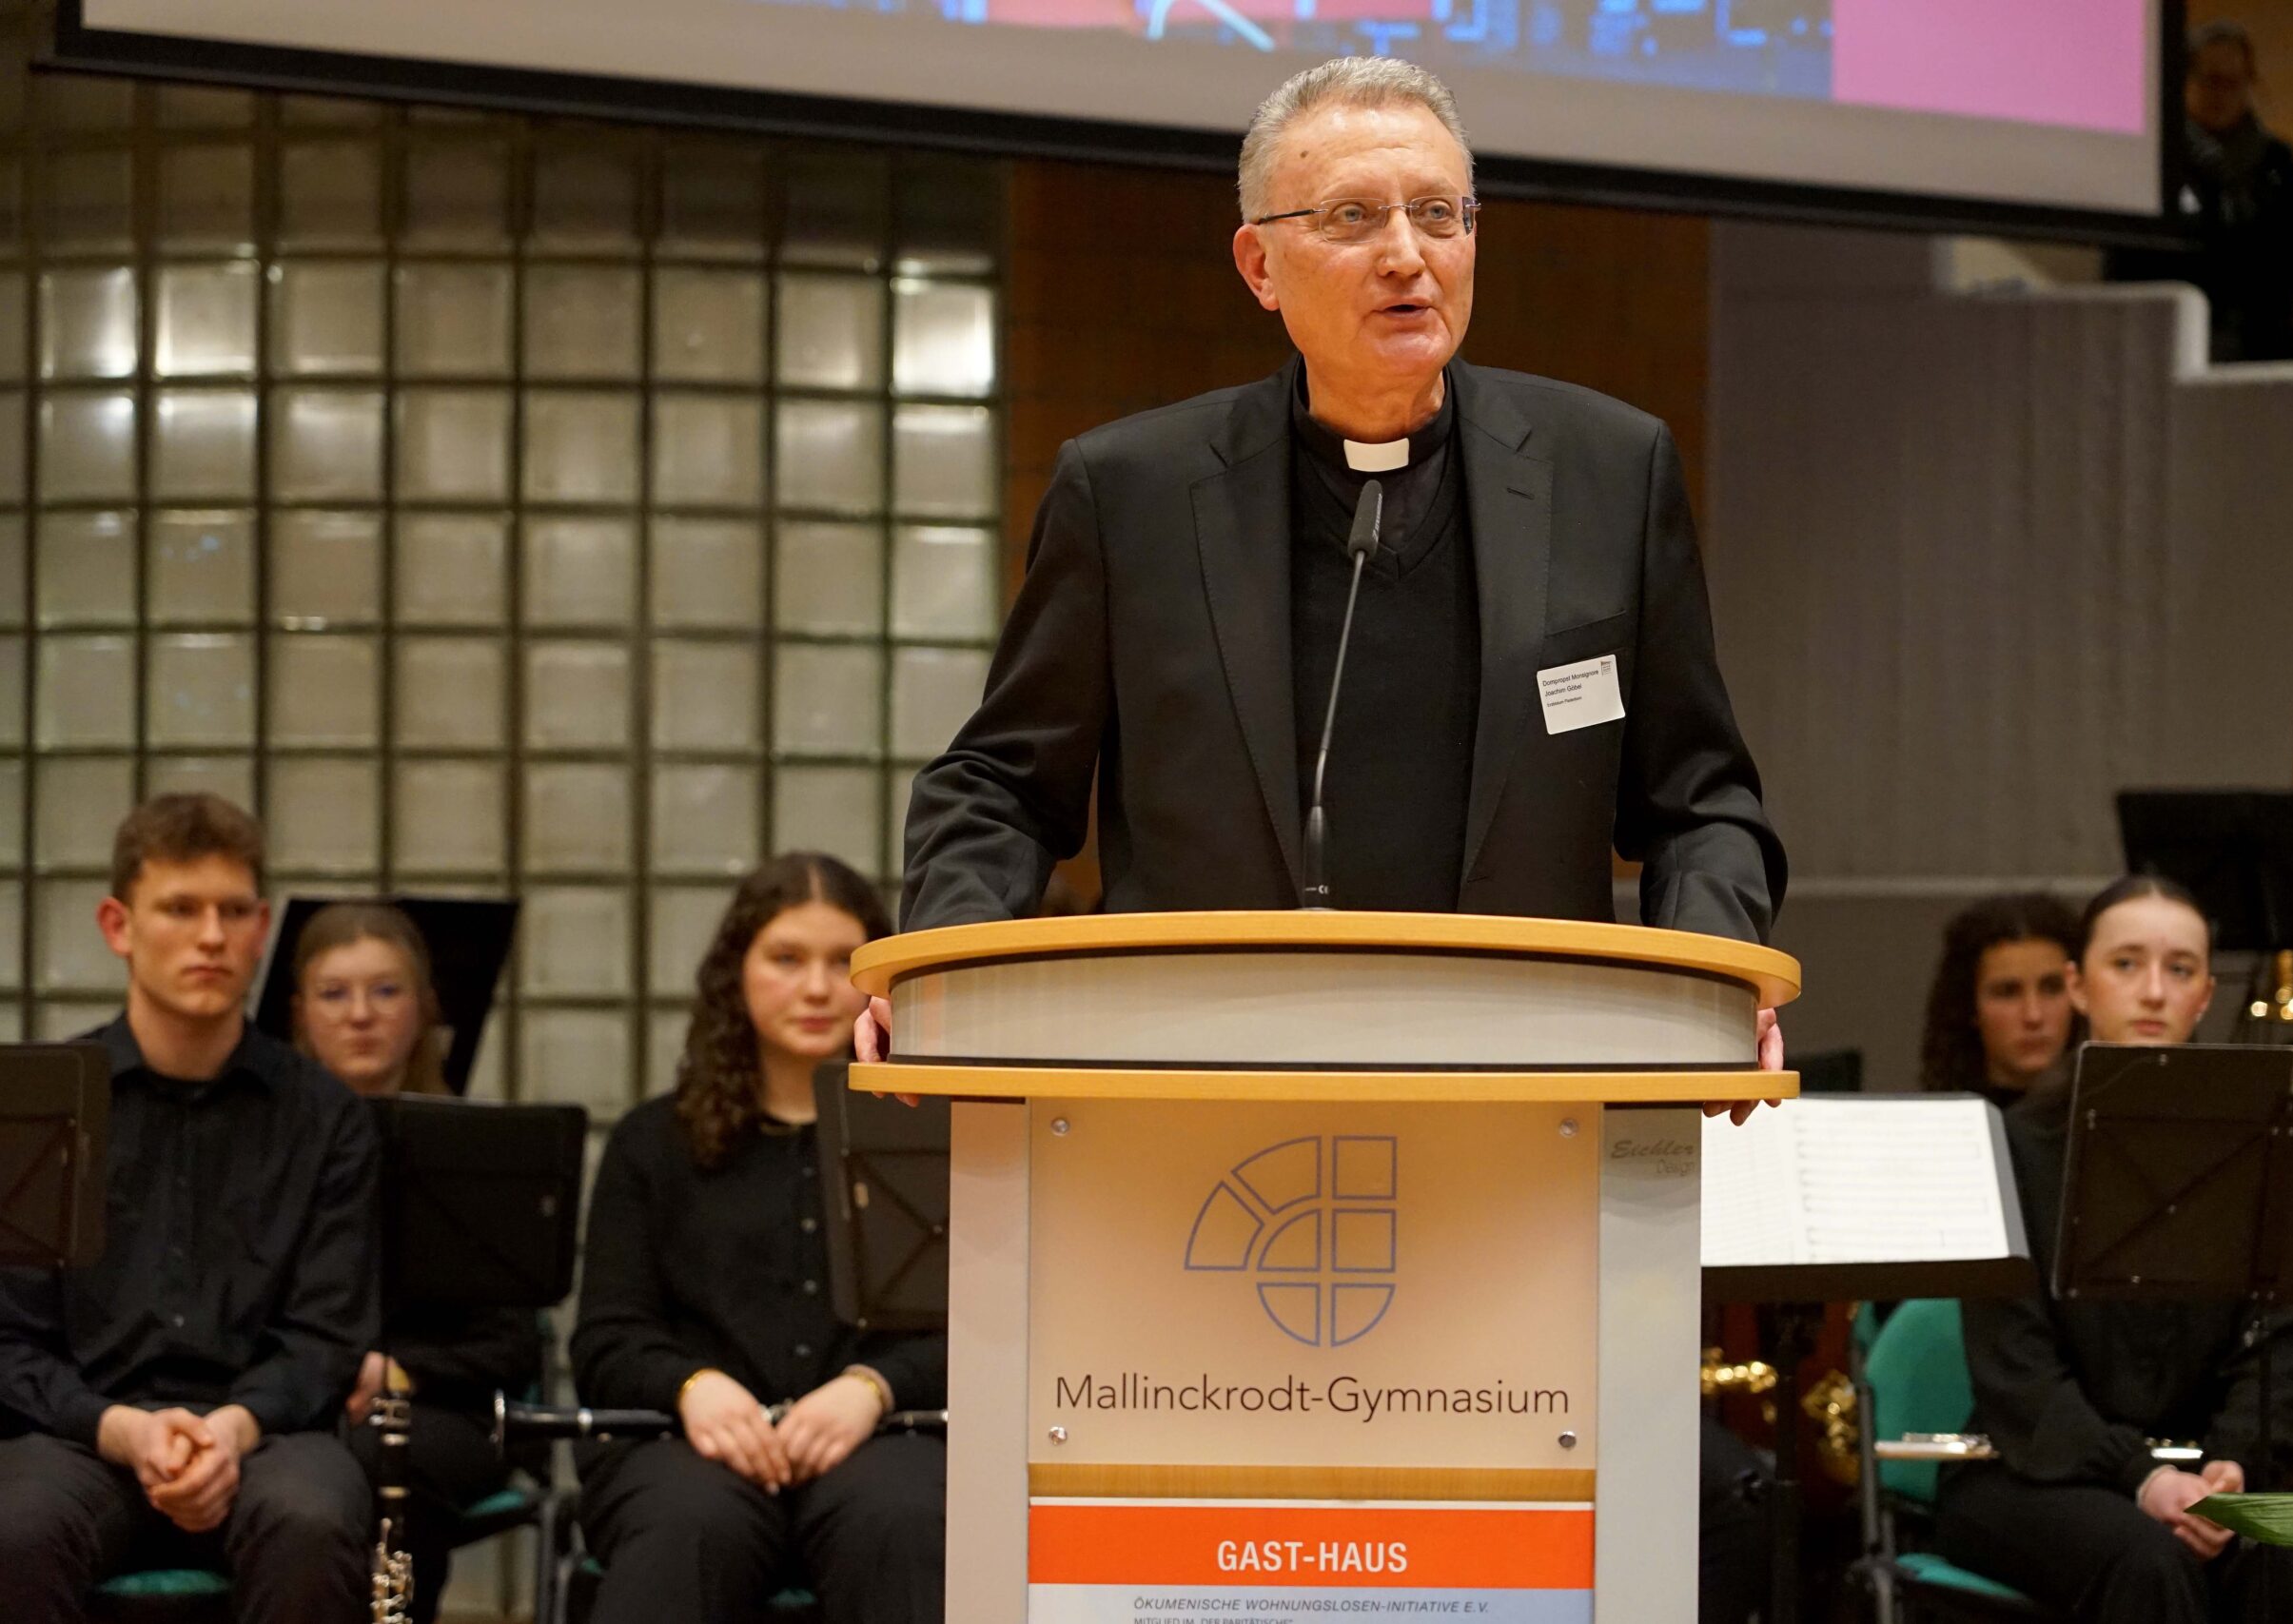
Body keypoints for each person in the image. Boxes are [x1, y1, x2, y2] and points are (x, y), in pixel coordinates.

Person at [872, 58, 1788, 1110]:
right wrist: (943, 965)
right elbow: (1000, 785)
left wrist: (1716, 971)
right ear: (1260, 265)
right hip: (1193, 1089)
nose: (1409, 255)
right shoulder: (1131, 495)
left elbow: (1701, 798)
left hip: (1533, 1090)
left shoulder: (1609, 472)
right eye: (1353, 217)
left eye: (1440, 214)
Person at [0, 793, 379, 1623]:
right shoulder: (36, 1101)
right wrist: (122, 1430)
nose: (212, 936)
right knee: (13, 1527)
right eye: (180, 908)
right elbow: (10, 1338)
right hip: (83, 1439)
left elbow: (327, 1334)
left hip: (266, 1439)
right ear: (117, 925)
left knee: (316, 1520)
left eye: (234, 910)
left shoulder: (326, 1115)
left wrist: (233, 1431)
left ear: (262, 926)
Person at [1934, 875, 2293, 1622]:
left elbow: (2276, 1349)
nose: (2154, 990)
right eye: (2126, 963)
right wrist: (2141, 1476)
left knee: (2285, 1553)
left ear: (2204, 995)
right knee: (2147, 1558)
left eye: (2180, 968)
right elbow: (2018, 1372)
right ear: (2079, 987)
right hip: (2033, 1472)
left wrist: (2234, 1467)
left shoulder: (2267, 1148)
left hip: (2203, 1468)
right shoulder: (2010, 1145)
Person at [572, 852, 946, 1624]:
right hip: (690, 1451)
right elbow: (608, 1338)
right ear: (733, 976)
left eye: (842, 962)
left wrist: (873, 1388)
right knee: (687, 1523)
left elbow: (988, 1324)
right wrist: (693, 1386)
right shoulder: (651, 1141)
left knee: (905, 1517)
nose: (816, 988)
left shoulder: (938, 1135)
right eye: (785, 958)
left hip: (889, 1440)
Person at [290, 901, 543, 1624]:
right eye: (334, 993)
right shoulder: (270, 1146)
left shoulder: (475, 1149)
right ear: (300, 1010)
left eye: (387, 990)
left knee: (378, 1453)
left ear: (429, 1006)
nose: (360, 1015)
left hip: (442, 1405)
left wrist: (399, 1368)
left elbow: (511, 1341)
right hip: (302, 1399)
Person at [2109, 21, 2293, 363]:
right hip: (2184, 355)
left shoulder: (2275, 161)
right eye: (2211, 81)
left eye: (2235, 83)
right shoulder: (2158, 164)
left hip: (2272, 353)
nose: (2223, 95)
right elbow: (2127, 269)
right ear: (2185, 80)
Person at [1919, 891, 2083, 1099]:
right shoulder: (1938, 1123)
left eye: (2052, 988)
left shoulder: (2111, 1117)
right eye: (2008, 993)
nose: (2033, 1016)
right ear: (1970, 1006)